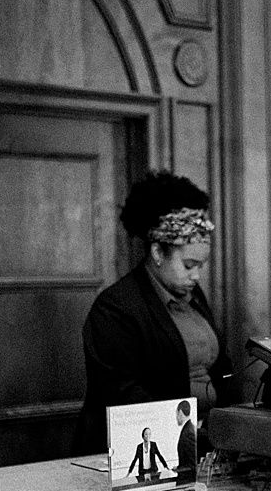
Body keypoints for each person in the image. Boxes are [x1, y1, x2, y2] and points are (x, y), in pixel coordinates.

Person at [72, 171, 234, 454]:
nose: (196, 275)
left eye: (201, 266)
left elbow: (221, 368)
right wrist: (189, 432)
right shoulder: (115, 308)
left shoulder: (193, 296)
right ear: (158, 253)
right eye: (188, 265)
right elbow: (123, 393)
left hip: (203, 440)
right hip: (146, 448)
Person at [174, 399, 197, 483]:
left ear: (180, 412)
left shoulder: (188, 432)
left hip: (187, 481)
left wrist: (180, 469)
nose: (176, 417)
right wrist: (179, 467)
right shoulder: (189, 429)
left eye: (176, 414)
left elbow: (193, 463)